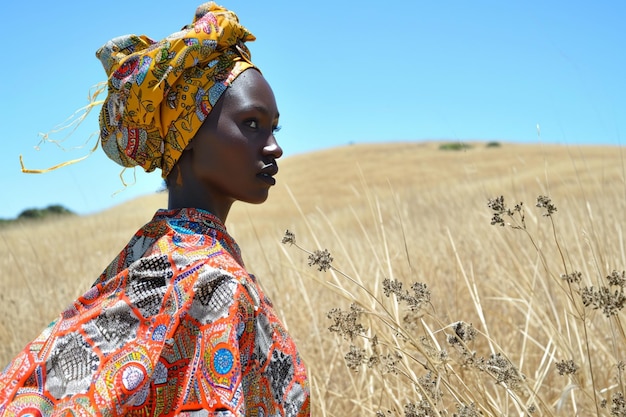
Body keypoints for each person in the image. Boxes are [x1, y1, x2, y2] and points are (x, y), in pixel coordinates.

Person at [0, 2, 310, 416]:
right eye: (252, 123)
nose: (274, 146)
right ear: (190, 133)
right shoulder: (215, 282)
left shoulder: (147, 259)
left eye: (275, 127)